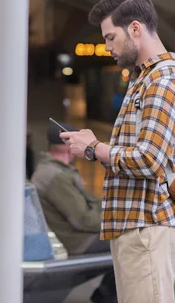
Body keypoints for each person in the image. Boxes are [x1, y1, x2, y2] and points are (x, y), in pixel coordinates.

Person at [60, 0, 175, 303]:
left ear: (135, 29)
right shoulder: (144, 79)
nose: (107, 48)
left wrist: (94, 147)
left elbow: (150, 160)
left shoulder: (161, 80)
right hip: (134, 226)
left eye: (110, 37)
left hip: (147, 226)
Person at [31, 122, 116, 303]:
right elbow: (83, 219)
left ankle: (105, 296)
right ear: (70, 147)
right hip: (78, 242)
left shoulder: (54, 169)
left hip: (75, 237)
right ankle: (105, 298)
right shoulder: (56, 176)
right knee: (127, 243)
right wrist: (114, 220)